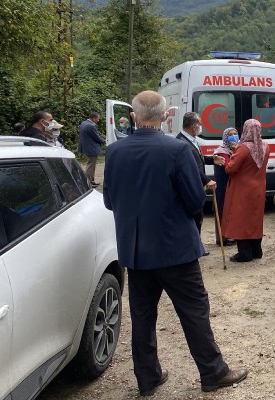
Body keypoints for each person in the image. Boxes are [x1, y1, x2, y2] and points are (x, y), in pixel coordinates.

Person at [102, 90, 247, 396]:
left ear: (133, 117)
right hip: (175, 250)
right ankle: (212, 372)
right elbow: (195, 201)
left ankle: (148, 378)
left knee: (142, 317)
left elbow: (110, 202)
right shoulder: (176, 150)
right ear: (165, 116)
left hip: (136, 250)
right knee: (194, 312)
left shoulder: (114, 152)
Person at [222, 119, 271, 262]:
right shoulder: (265, 146)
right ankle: (257, 250)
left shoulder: (243, 148)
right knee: (255, 218)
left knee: (241, 219)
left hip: (242, 189)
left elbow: (230, 168)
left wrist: (230, 155)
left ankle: (244, 252)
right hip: (259, 187)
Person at [177, 112, 219, 256]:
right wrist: (207, 180)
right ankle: (192, 249)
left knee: (198, 216)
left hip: (197, 183)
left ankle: (196, 246)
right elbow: (192, 167)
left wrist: (212, 159)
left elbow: (198, 159)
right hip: (191, 185)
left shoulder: (192, 139)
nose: (201, 127)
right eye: (200, 124)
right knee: (195, 216)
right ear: (194, 126)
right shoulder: (182, 142)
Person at [212, 127, 240, 246]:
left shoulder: (233, 150)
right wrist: (235, 153)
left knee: (230, 211)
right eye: (230, 134)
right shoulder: (221, 152)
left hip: (230, 186)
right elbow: (229, 167)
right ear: (225, 137)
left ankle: (230, 236)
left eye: (236, 134)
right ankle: (222, 238)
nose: (234, 136)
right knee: (222, 210)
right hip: (222, 186)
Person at [78, 112, 106, 187]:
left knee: (91, 164)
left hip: (87, 147)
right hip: (91, 148)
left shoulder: (84, 123)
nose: (98, 120)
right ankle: (88, 182)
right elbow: (96, 137)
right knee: (91, 165)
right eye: (98, 118)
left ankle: (91, 180)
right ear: (93, 118)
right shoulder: (91, 126)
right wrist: (105, 141)